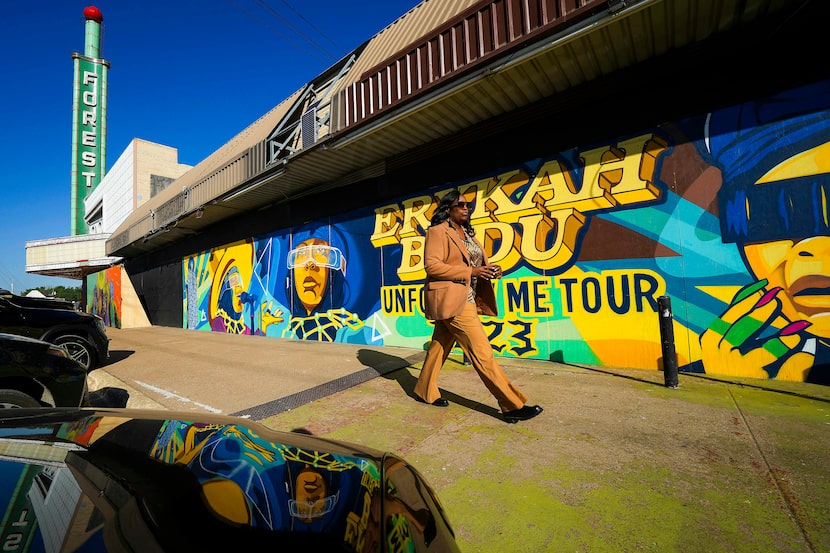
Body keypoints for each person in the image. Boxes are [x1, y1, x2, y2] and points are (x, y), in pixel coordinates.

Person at [413, 190, 543, 423]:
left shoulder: (469, 234)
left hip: (466, 297)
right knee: (482, 352)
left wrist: (491, 269)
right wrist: (471, 271)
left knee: (438, 347)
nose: (466, 208)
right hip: (454, 300)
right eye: (460, 205)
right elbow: (432, 266)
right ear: (448, 209)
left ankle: (424, 390)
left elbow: (475, 263)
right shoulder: (437, 232)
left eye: (468, 205)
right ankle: (511, 405)